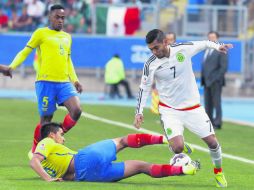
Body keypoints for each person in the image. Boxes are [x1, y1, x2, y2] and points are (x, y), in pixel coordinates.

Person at [133, 29, 233, 188]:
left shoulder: (183, 49)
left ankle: (218, 172)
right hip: (169, 110)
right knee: (178, 147)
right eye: (151, 49)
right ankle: (179, 145)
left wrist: (217, 46)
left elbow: (204, 43)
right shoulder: (150, 64)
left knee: (213, 143)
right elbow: (144, 88)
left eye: (156, 47)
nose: (154, 52)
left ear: (165, 42)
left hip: (193, 108)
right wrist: (139, 112)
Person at [2, 4, 83, 153]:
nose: (60, 20)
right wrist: (11, 67)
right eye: (57, 17)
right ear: (49, 17)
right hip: (45, 83)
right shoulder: (41, 33)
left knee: (76, 110)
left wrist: (75, 79)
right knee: (46, 121)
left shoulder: (67, 37)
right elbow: (25, 52)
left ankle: (58, 133)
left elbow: (68, 60)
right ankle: (36, 152)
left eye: (63, 18)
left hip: (64, 82)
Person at [30, 122, 200, 182]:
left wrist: (50, 176)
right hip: (84, 159)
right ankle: (166, 139)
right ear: (51, 135)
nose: (63, 138)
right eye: (61, 134)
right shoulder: (47, 141)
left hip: (87, 176)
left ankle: (182, 170)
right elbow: (33, 160)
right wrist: (48, 179)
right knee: (122, 140)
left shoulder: (50, 164)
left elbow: (66, 176)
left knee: (141, 166)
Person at [201, 31, 228, 130]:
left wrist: (215, 79)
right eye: (209, 37)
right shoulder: (207, 50)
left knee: (216, 102)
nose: (211, 39)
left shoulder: (221, 50)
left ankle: (218, 123)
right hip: (206, 81)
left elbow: (223, 67)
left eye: (213, 37)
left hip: (216, 82)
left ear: (217, 38)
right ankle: (210, 122)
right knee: (208, 103)